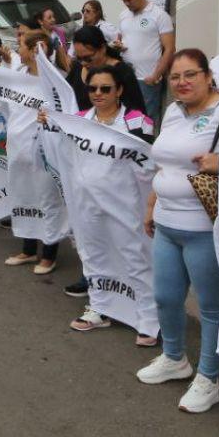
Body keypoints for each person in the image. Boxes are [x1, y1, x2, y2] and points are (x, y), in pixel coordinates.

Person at [137, 50, 219, 413]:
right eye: (175, 76)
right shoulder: (173, 110)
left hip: (204, 228)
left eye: (190, 74)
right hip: (166, 222)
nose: (182, 82)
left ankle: (210, 378)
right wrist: (151, 204)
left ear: (209, 75)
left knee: (210, 307)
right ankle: (175, 358)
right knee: (165, 297)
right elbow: (164, 163)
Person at [63, 65, 156, 342]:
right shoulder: (79, 119)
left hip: (125, 204)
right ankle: (99, 306)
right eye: (92, 88)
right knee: (92, 254)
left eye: (106, 88)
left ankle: (148, 318)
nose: (98, 94)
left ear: (120, 91)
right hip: (87, 204)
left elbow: (149, 161)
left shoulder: (138, 121)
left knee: (135, 258)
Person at [0, 29, 62, 273]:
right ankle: (28, 249)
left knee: (47, 200)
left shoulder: (54, 80)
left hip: (44, 153)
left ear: (35, 49)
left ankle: (49, 253)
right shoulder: (17, 75)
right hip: (18, 150)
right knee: (23, 196)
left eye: (21, 45)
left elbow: (64, 113)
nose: (18, 50)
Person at [117, 0, 175, 123]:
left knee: (145, 122)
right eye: (124, 0)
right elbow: (120, 39)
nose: (127, 4)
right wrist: (118, 45)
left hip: (146, 79)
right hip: (126, 77)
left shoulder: (159, 15)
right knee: (125, 120)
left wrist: (156, 75)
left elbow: (169, 48)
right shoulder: (123, 16)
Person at [66, 25, 145, 114]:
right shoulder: (77, 68)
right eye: (79, 58)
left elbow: (136, 111)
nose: (83, 63)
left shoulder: (122, 72)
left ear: (102, 49)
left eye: (88, 58)